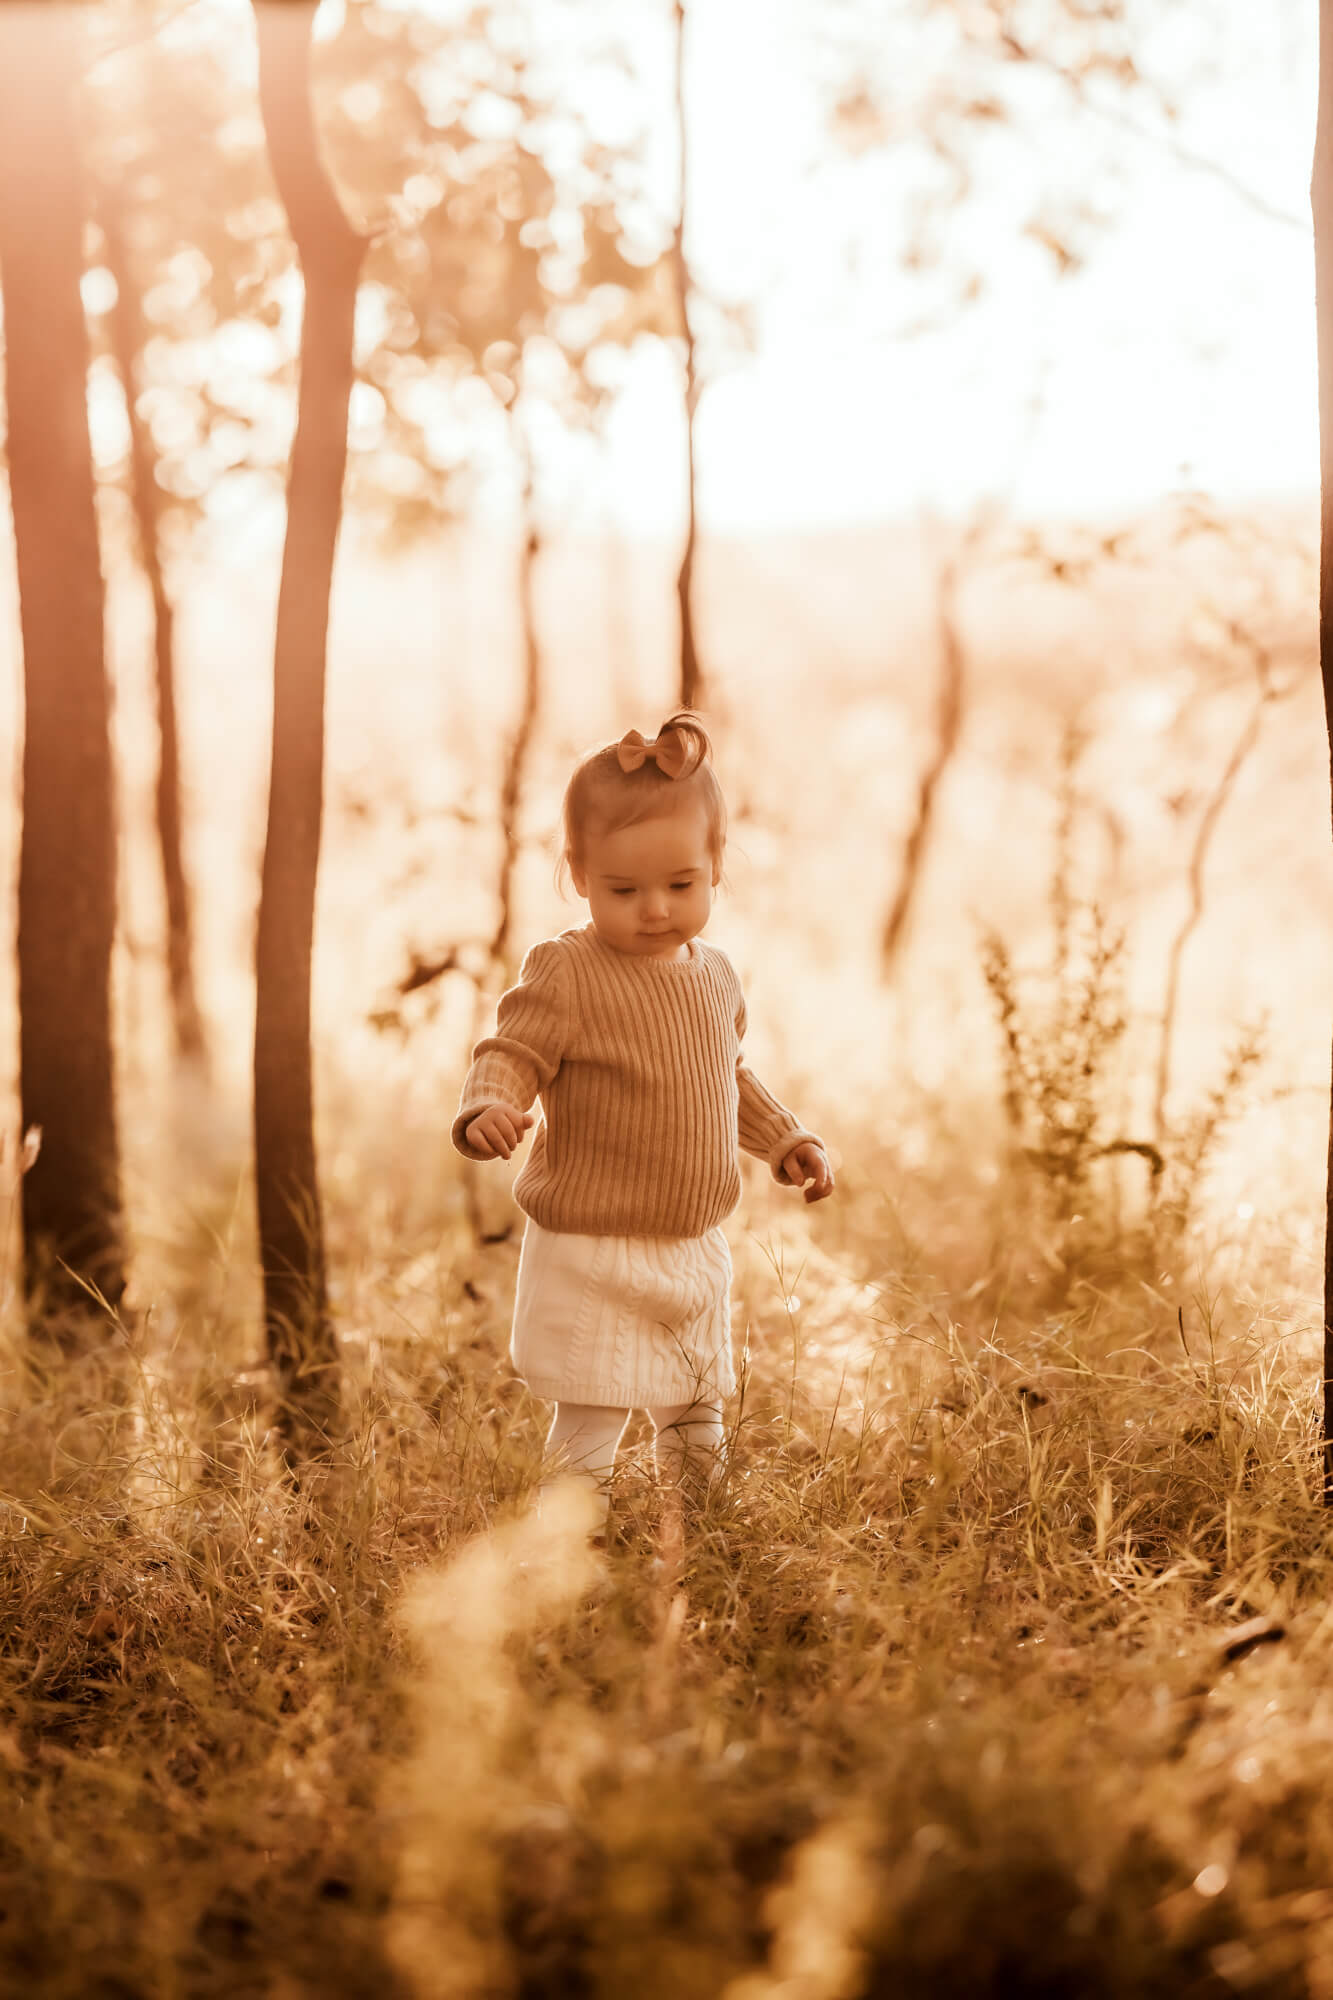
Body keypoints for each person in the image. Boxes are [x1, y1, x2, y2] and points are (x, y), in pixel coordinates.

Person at [452, 711, 834, 1525]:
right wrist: (490, 1104)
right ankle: (564, 1543)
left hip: (693, 1246)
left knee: (696, 1410)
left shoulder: (716, 976)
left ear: (715, 869)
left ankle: (700, 1532)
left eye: (680, 885)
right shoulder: (566, 970)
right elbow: (512, 1050)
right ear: (578, 874)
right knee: (593, 1409)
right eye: (623, 890)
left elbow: (724, 1074)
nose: (654, 908)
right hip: (593, 1245)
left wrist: (785, 1139)